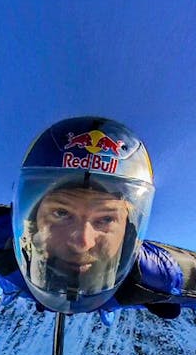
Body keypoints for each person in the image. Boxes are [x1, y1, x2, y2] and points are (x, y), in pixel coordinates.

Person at [13, 116, 155, 314]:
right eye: (61, 213)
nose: (82, 242)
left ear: (128, 233)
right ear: (33, 222)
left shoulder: (157, 272)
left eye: (106, 219)